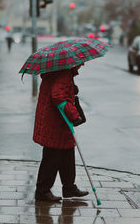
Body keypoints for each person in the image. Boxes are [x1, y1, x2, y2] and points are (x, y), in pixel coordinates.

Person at [33, 63, 89, 202]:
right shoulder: (63, 74)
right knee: (52, 157)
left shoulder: (62, 72)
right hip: (55, 122)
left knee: (67, 153)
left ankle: (69, 187)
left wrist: (72, 89)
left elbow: (60, 91)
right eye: (80, 62)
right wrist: (74, 115)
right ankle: (42, 191)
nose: (82, 64)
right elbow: (58, 96)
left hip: (57, 121)